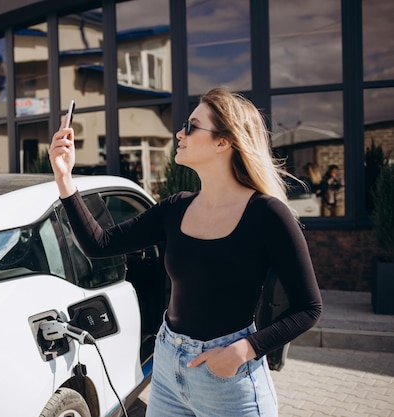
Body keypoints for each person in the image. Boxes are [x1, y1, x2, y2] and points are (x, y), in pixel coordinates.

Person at [49, 87, 322, 417]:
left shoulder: (267, 215)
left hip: (228, 378)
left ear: (224, 142)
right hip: (167, 365)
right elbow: (99, 244)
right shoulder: (175, 208)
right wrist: (65, 179)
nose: (180, 133)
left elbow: (308, 308)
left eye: (192, 126)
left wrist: (244, 350)